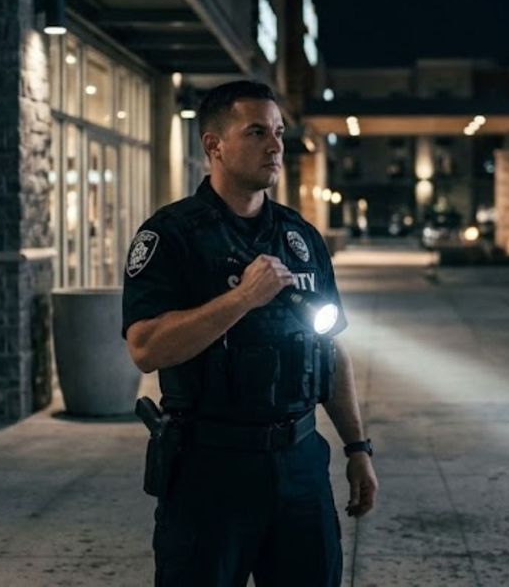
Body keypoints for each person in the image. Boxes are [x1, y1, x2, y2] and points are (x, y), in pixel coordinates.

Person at [121, 80, 377, 586]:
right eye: (257, 131)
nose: (276, 145)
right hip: (209, 470)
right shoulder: (171, 235)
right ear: (213, 144)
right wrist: (242, 299)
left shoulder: (300, 237)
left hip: (300, 463)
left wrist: (357, 448)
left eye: (279, 132)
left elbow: (329, 351)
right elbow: (145, 348)